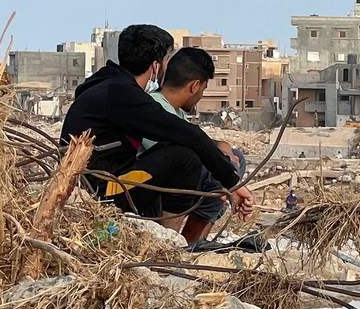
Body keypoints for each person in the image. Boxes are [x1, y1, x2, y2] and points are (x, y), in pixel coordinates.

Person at [60, 25, 253, 237]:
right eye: (166, 60)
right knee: (184, 157)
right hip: (102, 190)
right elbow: (187, 134)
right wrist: (233, 184)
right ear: (155, 66)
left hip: (98, 181)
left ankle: (165, 235)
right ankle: (168, 241)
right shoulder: (124, 95)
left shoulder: (107, 84)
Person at [141, 46, 254, 245]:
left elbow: (192, 138)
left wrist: (222, 148)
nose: (201, 95)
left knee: (235, 158)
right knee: (214, 173)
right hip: (149, 183)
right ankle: (174, 243)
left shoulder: (174, 110)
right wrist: (224, 181)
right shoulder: (154, 107)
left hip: (170, 178)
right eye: (203, 89)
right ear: (194, 86)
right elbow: (173, 151)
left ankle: (193, 240)